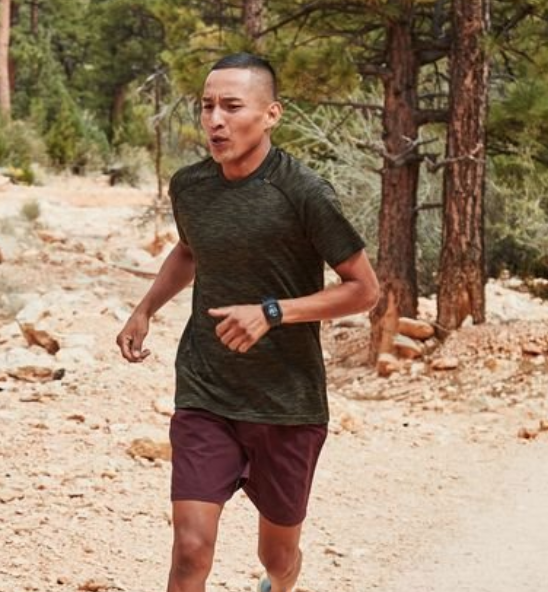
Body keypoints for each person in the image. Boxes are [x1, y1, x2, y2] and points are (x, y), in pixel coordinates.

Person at [116, 53, 379, 592]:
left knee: (276, 555)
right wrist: (145, 308)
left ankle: (281, 583)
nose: (215, 119)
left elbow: (364, 290)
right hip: (206, 388)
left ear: (271, 114)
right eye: (207, 106)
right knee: (190, 549)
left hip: (287, 401)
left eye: (232, 106)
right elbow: (189, 252)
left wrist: (273, 313)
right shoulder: (190, 187)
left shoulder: (303, 192)